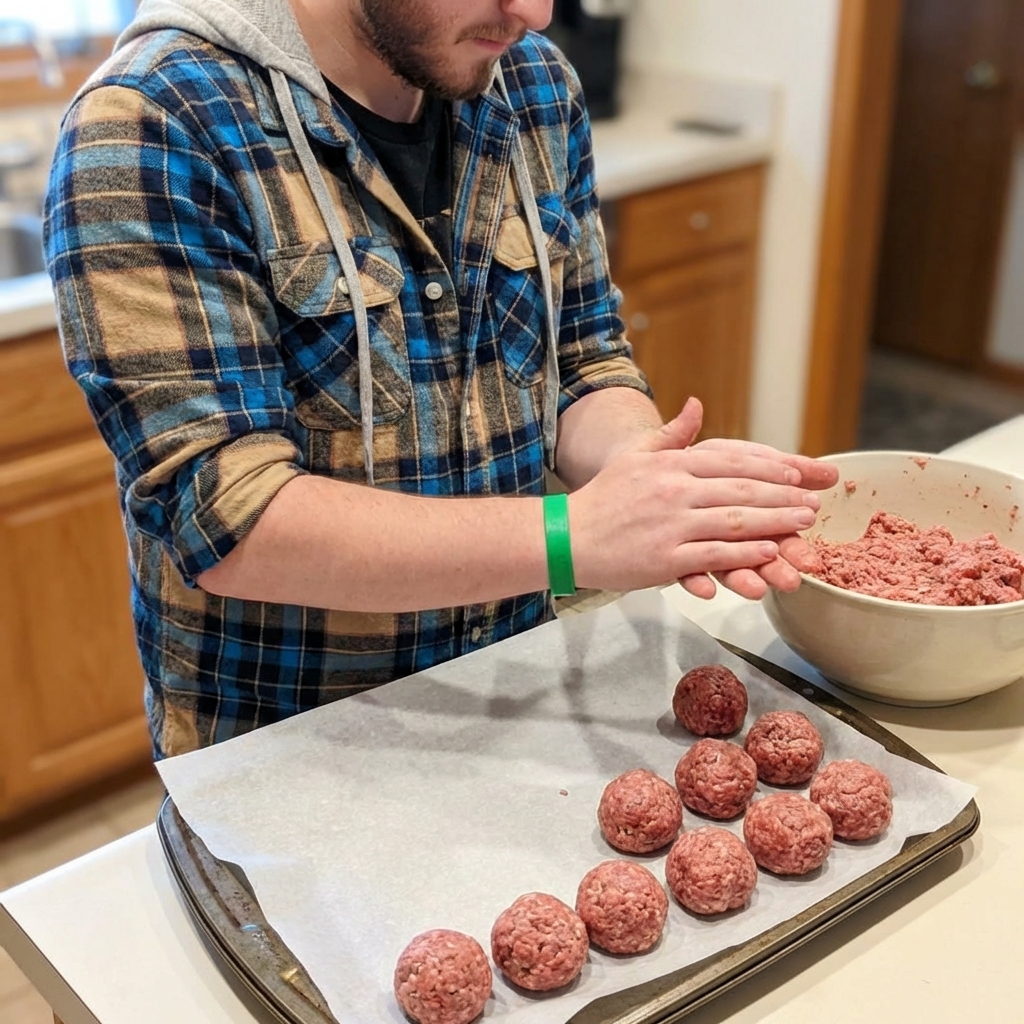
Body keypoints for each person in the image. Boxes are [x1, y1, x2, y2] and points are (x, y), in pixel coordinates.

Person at [43, 0, 837, 759]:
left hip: (524, 690)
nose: (533, 14)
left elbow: (582, 355)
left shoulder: (531, 85)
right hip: (293, 749)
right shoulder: (152, 124)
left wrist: (633, 465)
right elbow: (230, 517)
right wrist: (575, 536)